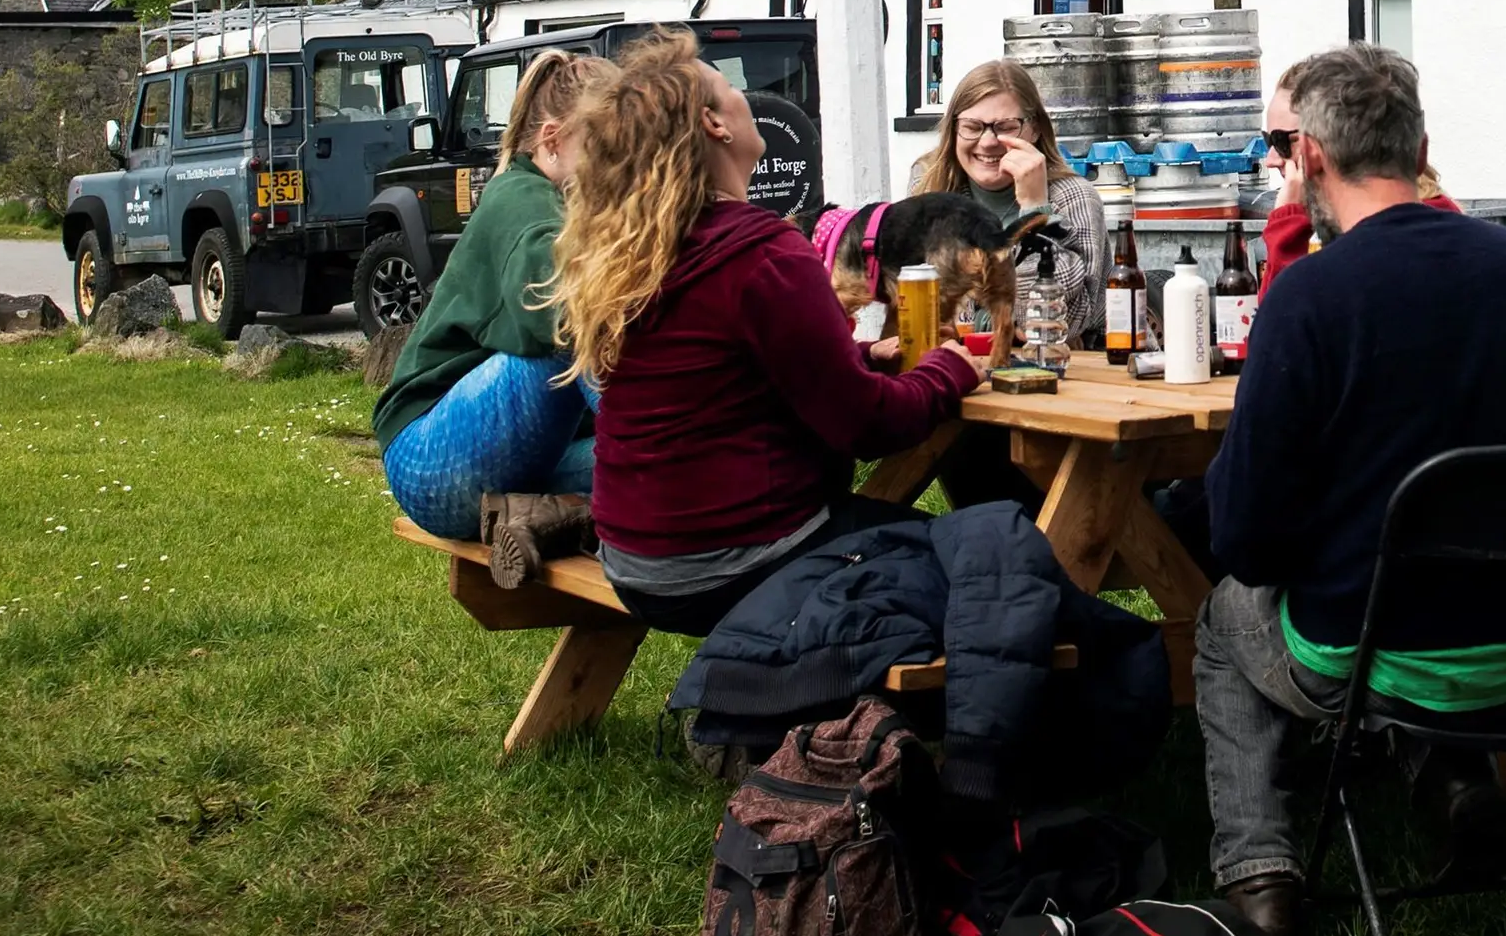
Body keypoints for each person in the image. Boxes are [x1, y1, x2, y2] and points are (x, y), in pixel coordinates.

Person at [1195, 44, 1506, 936]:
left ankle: (1260, 877)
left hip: (1373, 651)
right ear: (1421, 142)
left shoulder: (1315, 295)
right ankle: (1448, 773)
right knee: (1400, 586)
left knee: (1225, 612)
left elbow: (1247, 538)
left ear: (1309, 157)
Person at [558, 31, 984, 634]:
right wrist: (950, 369)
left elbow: (728, 372)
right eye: (732, 89)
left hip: (634, 561)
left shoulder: (645, 249)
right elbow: (867, 427)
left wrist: (858, 354)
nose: (748, 98)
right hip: (734, 562)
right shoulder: (762, 252)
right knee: (994, 557)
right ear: (714, 124)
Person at [376, 50, 609, 574]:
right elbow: (562, 312)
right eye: (605, 146)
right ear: (553, 140)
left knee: (663, 471)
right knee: (582, 321)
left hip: (498, 462)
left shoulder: (565, 202)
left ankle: (544, 515)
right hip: (428, 458)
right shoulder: (522, 200)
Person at [910, 59, 1111, 300]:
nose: (987, 142)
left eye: (1005, 127)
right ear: (953, 130)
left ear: (1035, 129)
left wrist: (1035, 211)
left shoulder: (1074, 197)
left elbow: (1057, 319)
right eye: (972, 127)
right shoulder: (930, 183)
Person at [1254, 77, 1454, 286]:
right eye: (1269, 140)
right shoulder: (1327, 216)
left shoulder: (1419, 226)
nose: (1271, 159)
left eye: (1286, 141)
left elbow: (1293, 311)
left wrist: (1288, 225)